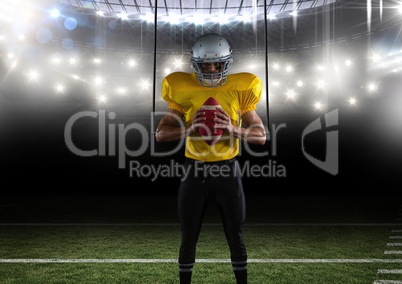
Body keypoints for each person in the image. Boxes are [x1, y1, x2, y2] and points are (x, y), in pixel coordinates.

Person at [155, 33, 266, 284]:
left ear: (227, 62)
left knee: (235, 235)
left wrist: (232, 129)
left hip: (228, 170)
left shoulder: (242, 88)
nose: (213, 68)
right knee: (188, 235)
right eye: (206, 64)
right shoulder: (180, 87)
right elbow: (161, 134)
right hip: (194, 170)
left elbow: (260, 137)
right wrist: (188, 129)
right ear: (195, 64)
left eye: (218, 63)